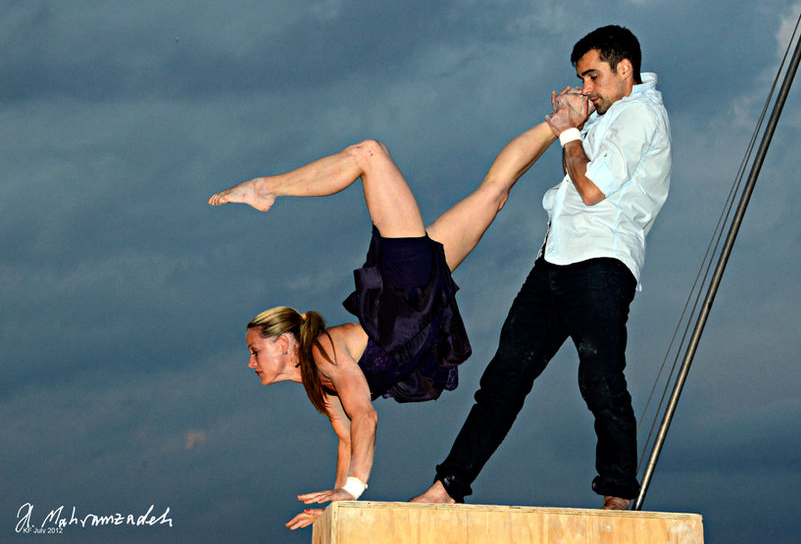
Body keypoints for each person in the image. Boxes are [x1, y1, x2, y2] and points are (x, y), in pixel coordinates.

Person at [208, 121, 556, 529]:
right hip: (418, 302)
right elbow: (347, 438)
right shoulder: (319, 386)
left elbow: (367, 419)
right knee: (494, 195)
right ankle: (558, 124)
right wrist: (337, 507)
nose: (251, 363)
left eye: (255, 351)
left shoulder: (322, 352)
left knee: (369, 154)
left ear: (284, 344)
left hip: (404, 292)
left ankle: (265, 188)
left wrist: (354, 488)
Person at [412, 25, 672, 510]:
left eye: (593, 76)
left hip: (602, 261)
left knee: (600, 378)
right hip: (554, 260)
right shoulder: (606, 115)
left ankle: (617, 494)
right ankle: (447, 488)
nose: (587, 88)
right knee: (504, 378)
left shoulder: (641, 114)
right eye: (580, 78)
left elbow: (592, 188)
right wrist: (569, 121)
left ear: (625, 69)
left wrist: (571, 129)